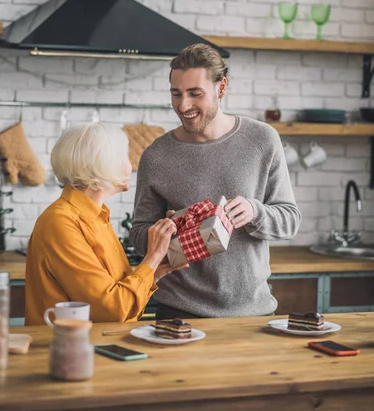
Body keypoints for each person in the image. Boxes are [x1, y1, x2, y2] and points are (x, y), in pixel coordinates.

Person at [130, 43, 301, 319]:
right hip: (178, 312)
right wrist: (169, 230)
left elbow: (290, 220)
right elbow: (139, 233)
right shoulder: (156, 156)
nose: (183, 105)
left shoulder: (262, 140)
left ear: (221, 88)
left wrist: (255, 212)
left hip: (252, 312)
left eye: (195, 94)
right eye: (176, 94)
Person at [25, 123, 182, 325]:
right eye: (124, 157)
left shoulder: (96, 217)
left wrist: (154, 272)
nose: (130, 165)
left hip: (99, 346)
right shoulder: (60, 223)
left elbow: (121, 303)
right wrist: (152, 258)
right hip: (66, 350)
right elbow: (113, 310)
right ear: (102, 165)